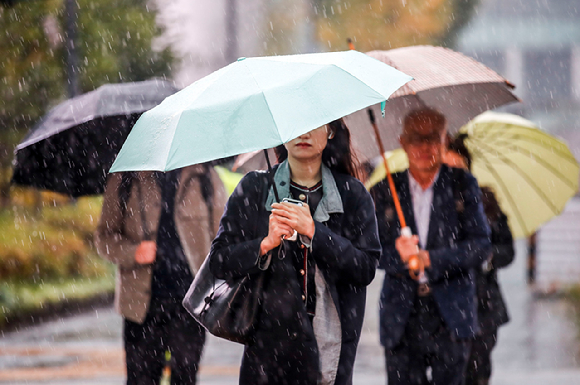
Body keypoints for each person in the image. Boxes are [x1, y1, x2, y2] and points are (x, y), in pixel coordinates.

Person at [208, 118, 381, 385]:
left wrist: (315, 232)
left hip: (329, 344)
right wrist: (264, 244)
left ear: (330, 131)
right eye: (294, 122)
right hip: (267, 346)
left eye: (314, 122)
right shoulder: (255, 188)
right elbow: (219, 261)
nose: (303, 132)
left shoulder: (352, 194)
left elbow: (365, 268)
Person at [370, 108, 491, 385]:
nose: (424, 146)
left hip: (451, 312)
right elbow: (369, 252)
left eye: (432, 138)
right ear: (402, 141)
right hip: (401, 314)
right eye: (416, 138)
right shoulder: (386, 189)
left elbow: (481, 245)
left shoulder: (462, 184)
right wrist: (398, 255)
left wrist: (431, 259)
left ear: (445, 139)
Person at [95, 164, 227, 385]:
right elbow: (104, 238)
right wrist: (134, 252)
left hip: (190, 305)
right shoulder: (126, 178)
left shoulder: (205, 177)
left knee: (185, 378)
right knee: (141, 379)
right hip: (141, 307)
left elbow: (223, 238)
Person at [446, 136, 515, 385]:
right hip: (444, 307)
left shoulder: (487, 203)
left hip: (483, 305)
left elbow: (507, 250)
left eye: (458, 168)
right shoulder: (427, 205)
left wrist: (488, 256)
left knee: (477, 371)